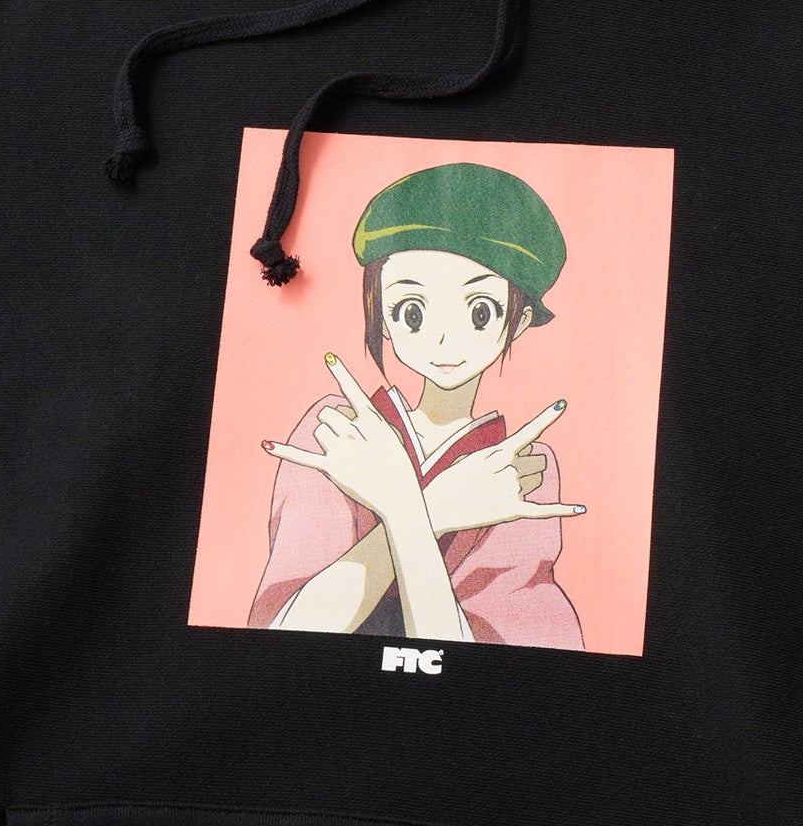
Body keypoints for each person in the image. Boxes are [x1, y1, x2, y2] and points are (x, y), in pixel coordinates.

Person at [248, 162, 585, 648]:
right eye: (412, 311)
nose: (444, 340)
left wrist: (405, 509)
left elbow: (485, 659)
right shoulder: (339, 428)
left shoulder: (522, 464)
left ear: (518, 321)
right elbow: (283, 632)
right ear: (381, 315)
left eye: (480, 311)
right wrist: (435, 508)